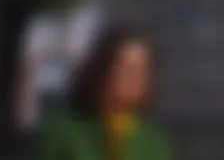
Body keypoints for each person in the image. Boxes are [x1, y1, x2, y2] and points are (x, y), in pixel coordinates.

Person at [34, 24, 172, 160]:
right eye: (126, 68)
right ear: (102, 71)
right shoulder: (64, 134)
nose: (134, 77)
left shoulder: (154, 143)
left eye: (142, 69)